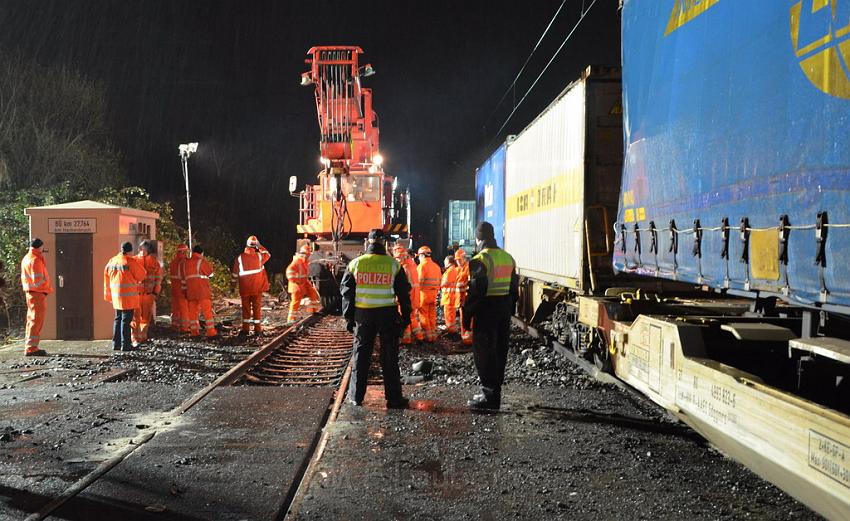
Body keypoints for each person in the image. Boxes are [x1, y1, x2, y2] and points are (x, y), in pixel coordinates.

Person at [341, 229, 412, 409]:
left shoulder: (355, 264)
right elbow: (404, 294)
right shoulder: (393, 265)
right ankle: (394, 399)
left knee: (361, 355)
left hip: (363, 315)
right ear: (384, 244)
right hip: (387, 314)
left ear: (368, 243)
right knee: (389, 357)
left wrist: (349, 318)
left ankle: (356, 397)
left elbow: (347, 294)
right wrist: (405, 318)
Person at [462, 221, 518, 410]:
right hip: (503, 309)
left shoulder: (481, 259)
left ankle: (489, 395)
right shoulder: (507, 257)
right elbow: (514, 290)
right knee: (500, 351)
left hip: (486, 310)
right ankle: (495, 392)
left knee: (484, 354)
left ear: (478, 238)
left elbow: (477, 292)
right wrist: (510, 310)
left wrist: (466, 315)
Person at [104, 242, 147, 352]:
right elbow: (142, 274)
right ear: (130, 251)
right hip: (128, 297)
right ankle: (126, 345)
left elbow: (106, 278)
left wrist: (108, 296)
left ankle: (116, 344)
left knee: (118, 319)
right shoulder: (130, 261)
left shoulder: (112, 261)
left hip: (116, 296)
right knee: (125, 321)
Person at [231, 235, 271, 335]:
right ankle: (258, 330)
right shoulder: (259, 256)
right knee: (257, 308)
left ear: (247, 245)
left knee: (246, 308)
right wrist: (260, 245)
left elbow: (235, 274)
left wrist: (232, 286)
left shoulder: (239, 258)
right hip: (257, 288)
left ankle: (246, 330)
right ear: (255, 246)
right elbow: (268, 254)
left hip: (244, 288)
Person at [20, 238, 53, 356]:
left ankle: (30, 346)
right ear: (39, 247)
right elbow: (37, 281)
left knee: (31, 320)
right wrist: (46, 288)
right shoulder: (35, 260)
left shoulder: (27, 258)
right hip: (37, 293)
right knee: (36, 321)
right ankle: (31, 348)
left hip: (31, 293)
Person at [131, 240, 162, 346]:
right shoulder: (133, 261)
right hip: (136, 294)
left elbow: (158, 278)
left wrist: (155, 292)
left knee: (145, 317)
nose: (143, 251)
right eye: (142, 249)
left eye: (146, 249)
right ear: (139, 249)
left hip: (149, 294)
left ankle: (143, 336)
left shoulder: (154, 262)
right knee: (135, 317)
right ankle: (135, 338)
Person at [184, 245, 217, 338]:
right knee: (207, 312)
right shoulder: (201, 261)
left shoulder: (187, 263)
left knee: (193, 313)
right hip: (202, 291)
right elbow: (211, 274)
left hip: (191, 291)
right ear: (201, 253)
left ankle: (194, 332)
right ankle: (211, 332)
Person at [392, 244, 421, 344]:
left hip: (408, 295)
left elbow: (403, 285)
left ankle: (406, 338)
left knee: (405, 315)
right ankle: (419, 336)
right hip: (415, 294)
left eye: (398, 258)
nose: (397, 260)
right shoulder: (412, 264)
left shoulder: (403, 268)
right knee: (412, 316)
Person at [285, 244, 320, 323]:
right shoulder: (297, 261)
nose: (308, 256)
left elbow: (304, 274)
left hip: (303, 282)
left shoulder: (304, 261)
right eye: (308, 254)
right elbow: (289, 272)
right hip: (296, 285)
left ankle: (313, 311)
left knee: (313, 292)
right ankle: (291, 319)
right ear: (304, 254)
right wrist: (296, 281)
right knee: (295, 301)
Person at [416, 245, 441, 342]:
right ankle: (433, 336)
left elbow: (418, 282)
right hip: (434, 294)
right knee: (432, 315)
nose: (418, 258)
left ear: (422, 255)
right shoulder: (436, 266)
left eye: (419, 256)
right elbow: (439, 281)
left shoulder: (421, 266)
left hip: (424, 294)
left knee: (423, 315)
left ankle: (428, 337)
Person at [168, 244, 190, 332]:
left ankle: (175, 325)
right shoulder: (183, 262)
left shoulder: (173, 262)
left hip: (174, 289)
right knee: (184, 309)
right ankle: (185, 327)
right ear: (183, 252)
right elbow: (184, 277)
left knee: (175, 308)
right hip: (182, 289)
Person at [455, 248, 472, 346]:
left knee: (467, 321)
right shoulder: (459, 269)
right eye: (457, 260)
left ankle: (468, 341)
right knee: (463, 320)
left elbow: (469, 284)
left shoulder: (468, 268)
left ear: (464, 258)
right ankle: (464, 338)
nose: (457, 262)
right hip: (461, 300)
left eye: (459, 260)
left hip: (466, 299)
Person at [440, 255, 460, 334]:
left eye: (445, 261)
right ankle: (451, 329)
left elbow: (444, 283)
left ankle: (450, 330)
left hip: (449, 297)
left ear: (448, 262)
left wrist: (439, 282)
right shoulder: (452, 270)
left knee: (449, 314)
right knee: (451, 314)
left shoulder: (450, 271)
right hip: (450, 296)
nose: (444, 262)